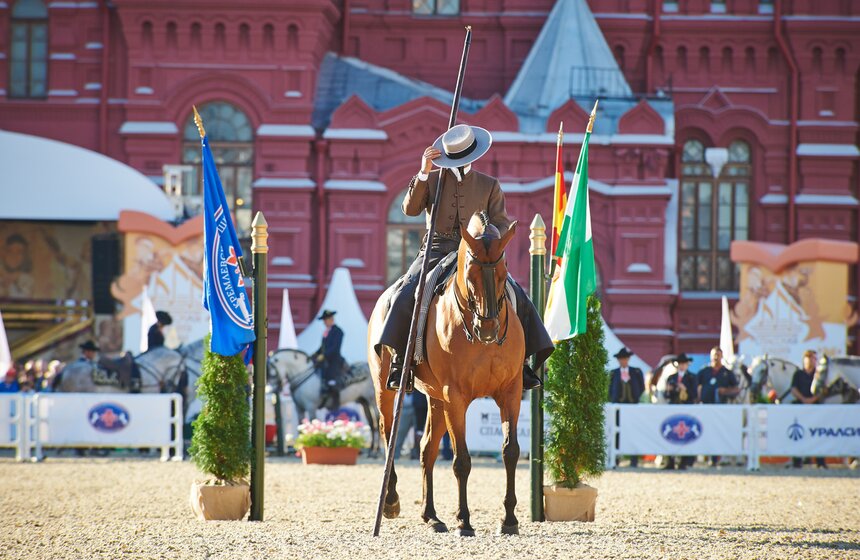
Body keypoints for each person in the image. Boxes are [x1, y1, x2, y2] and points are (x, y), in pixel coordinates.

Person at [376, 124, 553, 392]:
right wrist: (423, 172)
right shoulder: (433, 180)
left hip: (477, 254)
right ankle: (402, 363)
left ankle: (525, 362)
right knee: (407, 293)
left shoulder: (489, 185)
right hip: (436, 251)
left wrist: (489, 241)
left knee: (517, 294)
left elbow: (503, 223)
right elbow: (410, 209)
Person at [697, 346, 739, 467]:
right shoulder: (704, 371)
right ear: (710, 356)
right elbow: (697, 386)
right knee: (704, 431)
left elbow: (736, 389)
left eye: (718, 355)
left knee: (717, 432)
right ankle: (703, 456)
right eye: (714, 355)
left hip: (720, 407)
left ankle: (715, 458)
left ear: (722, 356)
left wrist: (724, 391)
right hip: (705, 406)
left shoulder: (727, 373)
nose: (716, 357)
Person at [790, 349, 827, 469]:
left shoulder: (819, 374)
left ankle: (820, 461)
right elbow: (793, 389)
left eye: (814, 358)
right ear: (804, 359)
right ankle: (797, 461)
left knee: (818, 433)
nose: (812, 360)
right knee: (798, 433)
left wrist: (813, 400)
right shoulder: (798, 374)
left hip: (816, 407)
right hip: (800, 407)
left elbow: (824, 390)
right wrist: (804, 400)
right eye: (810, 357)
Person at [608, 347, 644, 467]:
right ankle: (616, 458)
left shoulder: (636, 372)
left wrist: (635, 397)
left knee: (634, 432)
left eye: (625, 358)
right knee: (617, 432)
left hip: (632, 407)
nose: (623, 361)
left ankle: (634, 459)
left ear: (628, 359)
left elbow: (642, 387)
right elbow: (610, 390)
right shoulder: (614, 373)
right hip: (619, 407)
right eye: (621, 359)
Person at [663, 353, 698, 470]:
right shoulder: (671, 378)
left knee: (685, 435)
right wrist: (669, 390)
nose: (682, 366)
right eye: (680, 363)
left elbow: (694, 395)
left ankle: (684, 461)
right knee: (671, 434)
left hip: (686, 409)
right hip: (673, 409)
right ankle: (670, 461)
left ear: (687, 365)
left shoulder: (692, 378)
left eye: (684, 363)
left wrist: (685, 389)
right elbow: (666, 395)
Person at [312, 310, 345, 410]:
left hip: (334, 360)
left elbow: (335, 348)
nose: (324, 322)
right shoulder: (326, 332)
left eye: (325, 320)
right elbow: (323, 347)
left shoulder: (338, 331)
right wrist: (315, 354)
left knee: (332, 380)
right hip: (325, 359)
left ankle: (336, 401)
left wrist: (324, 355)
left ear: (331, 319)